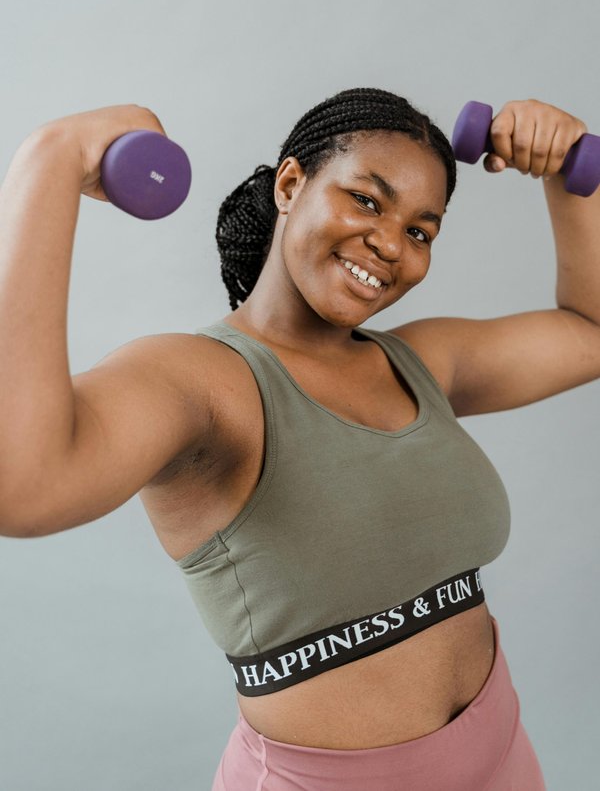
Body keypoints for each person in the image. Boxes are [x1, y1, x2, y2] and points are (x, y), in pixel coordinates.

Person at [2, 88, 597, 790]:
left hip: (501, 753)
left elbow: (589, 331)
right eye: (368, 200)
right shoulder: (203, 382)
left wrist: (571, 176)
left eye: (420, 231)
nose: (389, 243)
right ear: (291, 184)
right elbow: (22, 484)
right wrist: (50, 161)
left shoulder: (421, 362)